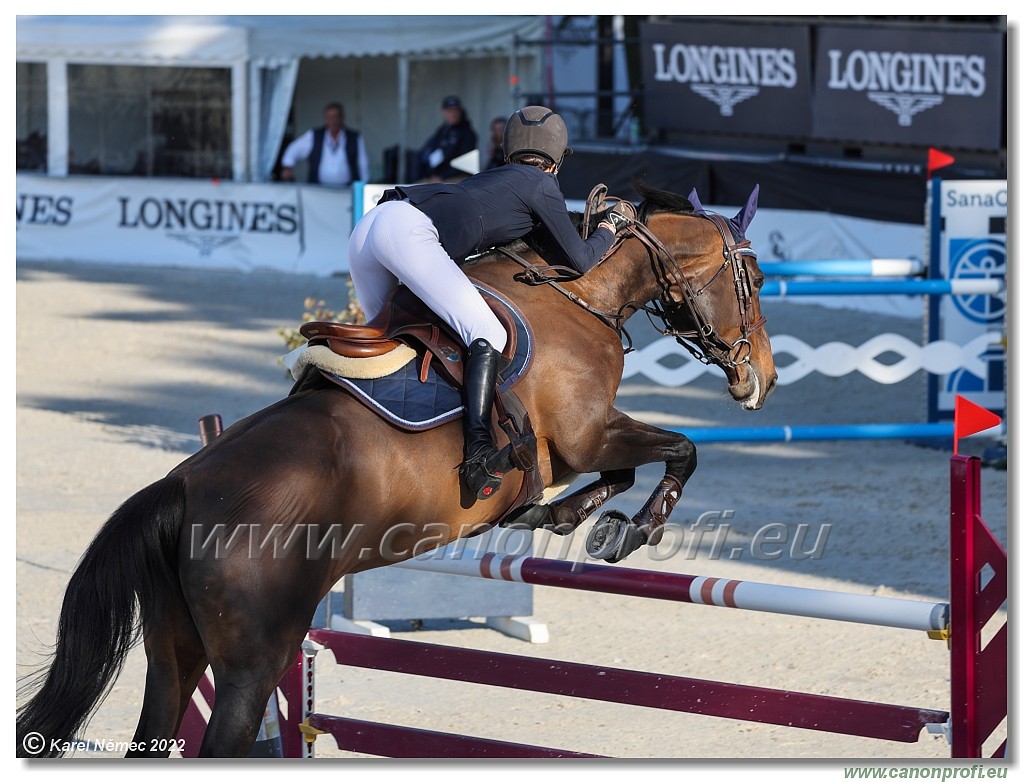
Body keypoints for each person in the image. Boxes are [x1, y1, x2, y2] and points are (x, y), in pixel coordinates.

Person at [347, 105, 636, 501]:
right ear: (554, 161)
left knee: (388, 341)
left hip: (370, 226)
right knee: (488, 332)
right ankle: (478, 450)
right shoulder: (541, 184)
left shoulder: (496, 178)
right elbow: (581, 260)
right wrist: (610, 227)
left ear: (509, 151)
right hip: (409, 232)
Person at [280, 102, 370, 187]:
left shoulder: (354, 137)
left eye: (335, 117)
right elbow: (294, 149)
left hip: (347, 190)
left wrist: (364, 184)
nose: (332, 121)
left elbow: (362, 163)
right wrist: (288, 166)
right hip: (319, 190)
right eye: (329, 117)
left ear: (341, 118)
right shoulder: (314, 135)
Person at [415, 96, 478, 182]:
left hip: (458, 177)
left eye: (456, 110)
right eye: (450, 111)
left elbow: (464, 163)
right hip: (438, 177)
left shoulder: (467, 133)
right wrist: (432, 174)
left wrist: (443, 177)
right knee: (416, 188)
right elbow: (429, 151)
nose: (453, 114)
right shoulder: (443, 131)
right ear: (443, 112)